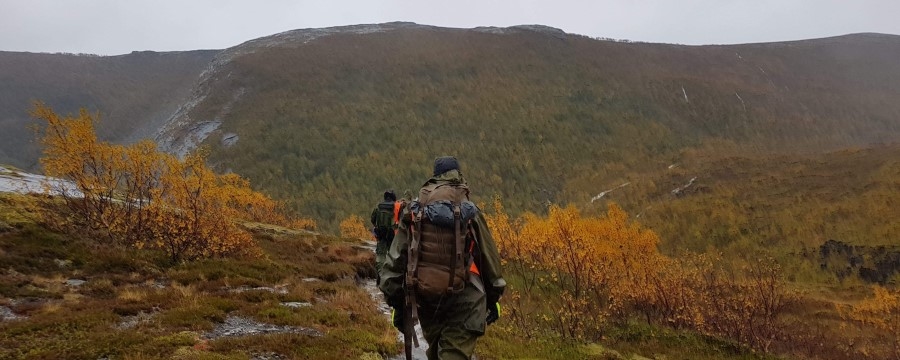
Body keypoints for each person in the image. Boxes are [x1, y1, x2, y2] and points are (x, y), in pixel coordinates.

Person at [379, 156, 506, 360]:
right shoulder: (469, 210)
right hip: (465, 302)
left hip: (427, 301)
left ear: (435, 178)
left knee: (436, 353)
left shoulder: (415, 211)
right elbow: (489, 260)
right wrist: (493, 299)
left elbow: (394, 264)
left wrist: (397, 305)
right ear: (458, 176)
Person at [371, 189, 398, 274]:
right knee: (392, 255)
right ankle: (390, 274)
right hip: (392, 235)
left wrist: (377, 227)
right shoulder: (396, 207)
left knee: (380, 256)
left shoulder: (378, 207)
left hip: (380, 234)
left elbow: (373, 220)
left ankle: (380, 273)